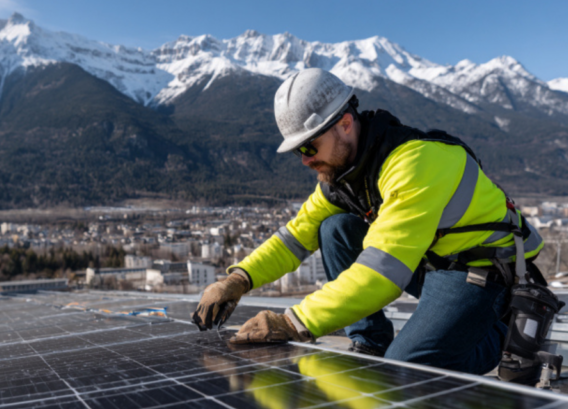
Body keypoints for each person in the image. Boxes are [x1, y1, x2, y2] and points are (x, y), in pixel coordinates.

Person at [192, 68, 548, 378]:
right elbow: (295, 237)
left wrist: (293, 322)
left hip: (482, 271)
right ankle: (371, 344)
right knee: (334, 229)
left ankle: (508, 336)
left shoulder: (414, 163)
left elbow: (381, 274)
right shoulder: (346, 176)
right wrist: (238, 280)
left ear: (345, 124)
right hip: (434, 263)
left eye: (309, 147)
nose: (305, 160)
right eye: (299, 151)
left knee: (408, 367)